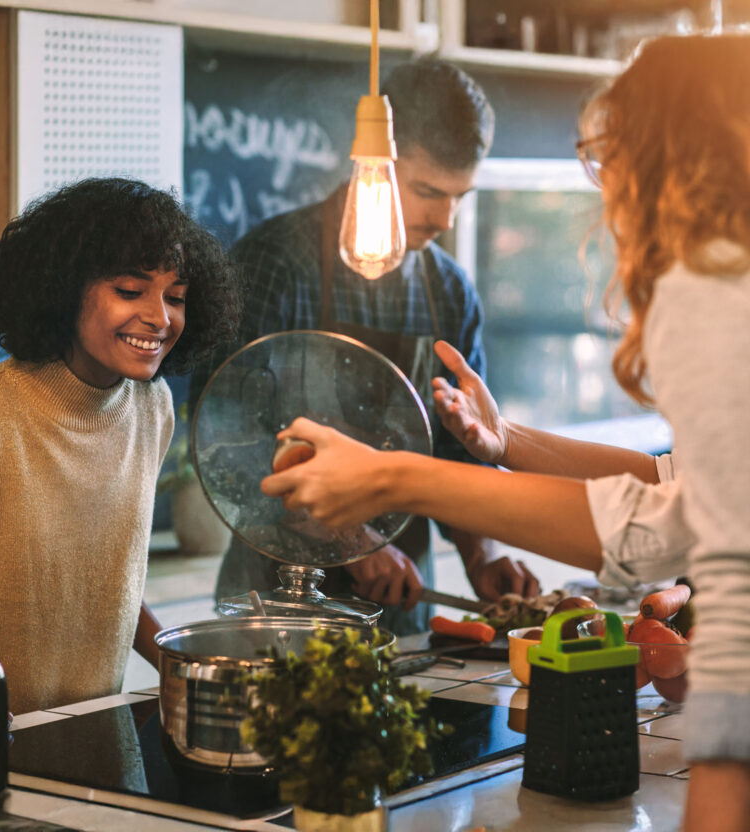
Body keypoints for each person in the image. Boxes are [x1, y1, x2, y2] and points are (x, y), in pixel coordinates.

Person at [260, 34, 750, 831]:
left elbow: (687, 538)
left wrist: (395, 478)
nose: (611, 208)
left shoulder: (718, 287)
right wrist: (508, 442)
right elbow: (682, 489)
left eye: (614, 166)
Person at [189, 58, 539, 635]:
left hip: (404, 606)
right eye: (428, 190)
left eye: (461, 196)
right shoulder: (274, 262)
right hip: (277, 606)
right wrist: (353, 541)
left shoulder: (448, 290)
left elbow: (457, 451)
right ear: (373, 163)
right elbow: (228, 441)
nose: (445, 218)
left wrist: (482, 556)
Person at [0, 177, 240, 742]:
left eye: (175, 296)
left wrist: (173, 661)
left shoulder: (153, 407)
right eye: (129, 290)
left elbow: (102, 577)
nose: (159, 317)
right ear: (64, 291)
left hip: (94, 740)